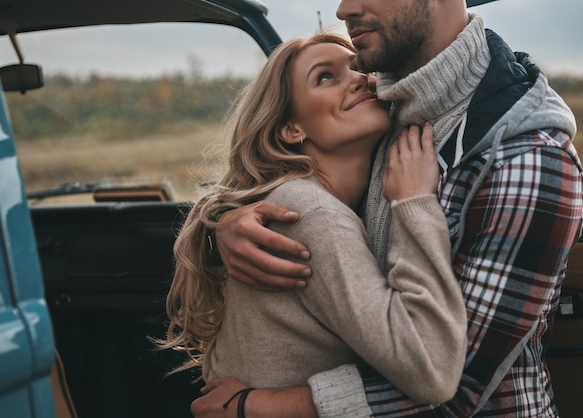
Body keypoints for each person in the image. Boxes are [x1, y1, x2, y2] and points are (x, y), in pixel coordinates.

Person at [193, 0, 583, 417]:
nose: (343, 9)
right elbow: (292, 186)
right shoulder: (382, 111)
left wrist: (259, 407)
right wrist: (226, 222)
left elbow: (456, 381)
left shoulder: (523, 159)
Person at [161, 32, 467, 416]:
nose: (358, 78)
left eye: (357, 67)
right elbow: (430, 371)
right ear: (291, 129)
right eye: (325, 76)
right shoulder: (310, 213)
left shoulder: (301, 202)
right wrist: (414, 204)